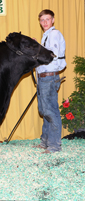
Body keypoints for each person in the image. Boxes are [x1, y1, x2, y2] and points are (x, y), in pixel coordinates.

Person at [34, 9, 66, 154]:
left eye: (47, 19)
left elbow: (51, 55)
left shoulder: (54, 34)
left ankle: (54, 146)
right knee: (44, 111)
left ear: (53, 20)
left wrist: (37, 49)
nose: (45, 22)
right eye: (42, 20)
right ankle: (45, 142)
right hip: (43, 77)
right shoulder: (46, 36)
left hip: (49, 77)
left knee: (50, 112)